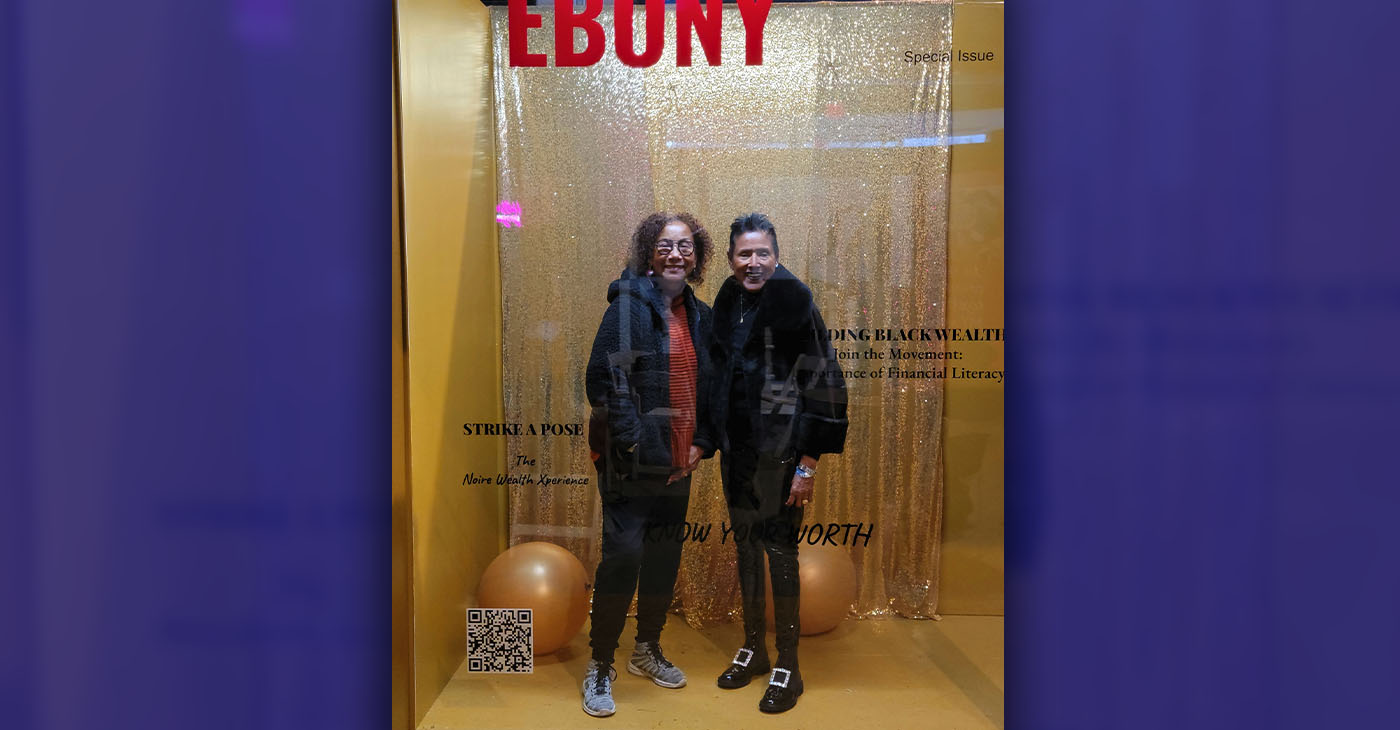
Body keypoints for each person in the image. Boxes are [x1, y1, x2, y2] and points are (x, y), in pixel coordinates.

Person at [709, 212, 847, 713]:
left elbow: (824, 382)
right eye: (744, 254)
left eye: (762, 253)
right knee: (746, 548)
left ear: (776, 255)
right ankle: (755, 649)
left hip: (784, 451)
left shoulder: (794, 302)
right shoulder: (728, 301)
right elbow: (718, 376)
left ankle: (789, 665)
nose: (753, 262)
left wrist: (807, 463)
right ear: (730, 260)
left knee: (780, 552)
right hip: (739, 451)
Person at [581, 212, 716, 718]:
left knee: (662, 561)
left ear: (697, 257)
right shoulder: (631, 305)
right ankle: (599, 664)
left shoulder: (696, 313)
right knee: (622, 560)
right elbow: (603, 379)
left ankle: (646, 650)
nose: (676, 254)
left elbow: (706, 386)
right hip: (632, 466)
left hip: (679, 466)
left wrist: (701, 441)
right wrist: (637, 445)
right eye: (665, 245)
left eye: (685, 246)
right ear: (648, 253)